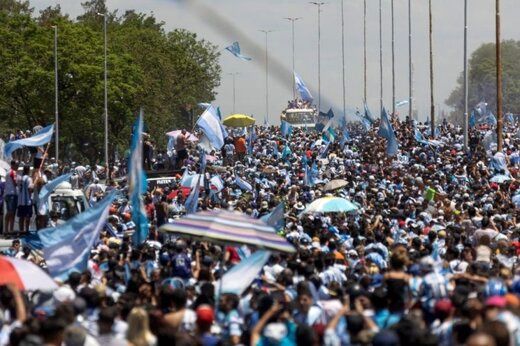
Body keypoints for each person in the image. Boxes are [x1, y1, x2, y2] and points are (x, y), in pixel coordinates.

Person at [4, 160, 19, 234]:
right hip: (11, 194)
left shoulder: (8, 172)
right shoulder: (12, 172)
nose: (17, 166)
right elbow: (15, 183)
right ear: (12, 165)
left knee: (11, 212)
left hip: (8, 194)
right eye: (16, 165)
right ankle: (8, 230)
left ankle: (9, 230)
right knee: (11, 212)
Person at [17, 165, 33, 233]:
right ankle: (26, 230)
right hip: (27, 201)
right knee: (27, 216)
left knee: (21, 217)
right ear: (28, 170)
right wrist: (32, 188)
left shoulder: (20, 178)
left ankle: (21, 230)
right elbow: (30, 189)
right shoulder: (29, 179)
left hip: (20, 201)